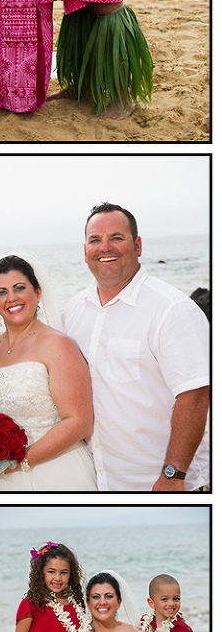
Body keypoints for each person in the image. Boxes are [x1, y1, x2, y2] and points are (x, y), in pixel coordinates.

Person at [63, 204, 210, 492]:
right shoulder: (74, 311)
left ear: (137, 245)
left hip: (162, 483)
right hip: (98, 483)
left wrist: (172, 475)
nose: (105, 247)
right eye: (95, 240)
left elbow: (194, 395)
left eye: (117, 237)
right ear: (85, 250)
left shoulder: (172, 309)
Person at [0, 255, 96, 488]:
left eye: (19, 288)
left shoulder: (58, 345)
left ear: (38, 292)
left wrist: (15, 462)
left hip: (53, 471)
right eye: (2, 292)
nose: (12, 298)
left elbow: (79, 422)